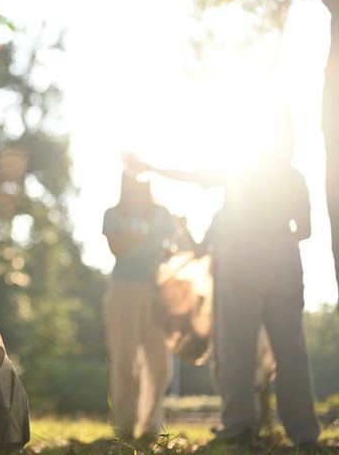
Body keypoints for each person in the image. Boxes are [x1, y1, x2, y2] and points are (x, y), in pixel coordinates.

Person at [125, 113, 321, 446]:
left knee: (236, 348)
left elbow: (193, 175)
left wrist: (152, 168)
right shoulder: (294, 176)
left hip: (241, 254)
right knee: (291, 350)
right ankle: (304, 434)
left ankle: (239, 428)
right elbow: (304, 230)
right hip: (283, 256)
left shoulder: (240, 168)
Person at [101, 169, 182, 439]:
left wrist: (169, 249)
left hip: (156, 290)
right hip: (124, 289)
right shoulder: (113, 213)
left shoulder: (162, 214)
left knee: (159, 362)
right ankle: (123, 427)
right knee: (124, 360)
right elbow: (115, 249)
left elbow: (173, 246)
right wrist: (133, 236)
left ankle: (150, 426)